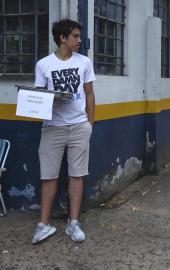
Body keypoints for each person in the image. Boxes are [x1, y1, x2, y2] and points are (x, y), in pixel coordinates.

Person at [32, 19, 95, 244]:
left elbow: (89, 94)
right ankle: (43, 225)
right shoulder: (44, 65)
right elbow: (38, 99)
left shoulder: (84, 62)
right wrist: (53, 98)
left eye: (79, 36)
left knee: (77, 175)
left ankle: (73, 223)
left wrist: (90, 124)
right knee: (48, 176)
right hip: (52, 127)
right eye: (75, 36)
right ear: (62, 38)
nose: (79, 41)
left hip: (79, 126)